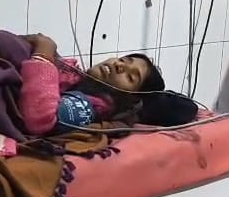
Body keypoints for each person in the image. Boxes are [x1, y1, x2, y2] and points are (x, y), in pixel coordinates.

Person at [20, 33, 165, 135]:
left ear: (130, 98)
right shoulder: (78, 78)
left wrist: (43, 54)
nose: (119, 66)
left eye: (130, 77)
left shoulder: (90, 107)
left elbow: (41, 119)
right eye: (123, 60)